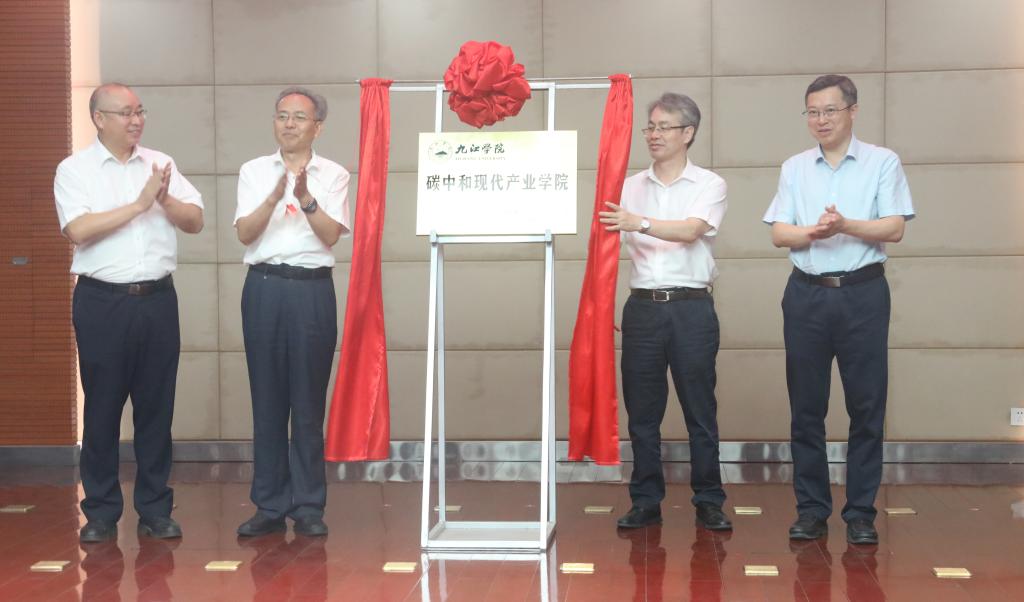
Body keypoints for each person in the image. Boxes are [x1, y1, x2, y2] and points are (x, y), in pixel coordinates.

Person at [763, 74, 914, 545]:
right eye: (812, 112)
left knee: (866, 406)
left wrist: (845, 225)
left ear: (852, 111)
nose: (821, 120)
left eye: (830, 110)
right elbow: (779, 233)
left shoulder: (882, 161)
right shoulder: (794, 167)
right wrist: (814, 232)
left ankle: (861, 513)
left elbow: (894, 228)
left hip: (862, 294)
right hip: (806, 294)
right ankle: (811, 510)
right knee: (806, 407)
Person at [54, 82, 204, 543]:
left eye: (140, 111)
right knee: (102, 408)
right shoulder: (75, 169)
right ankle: (100, 512)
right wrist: (139, 204)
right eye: (125, 113)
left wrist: (165, 199)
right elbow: (78, 229)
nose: (136, 120)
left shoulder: (160, 164)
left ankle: (155, 509)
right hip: (102, 302)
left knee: (156, 408)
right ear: (99, 118)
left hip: (158, 301)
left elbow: (195, 221)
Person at [599, 92, 731, 531]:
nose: (654, 135)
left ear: (688, 133)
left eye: (664, 127)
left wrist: (640, 222)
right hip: (642, 309)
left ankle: (709, 500)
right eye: (650, 127)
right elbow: (605, 245)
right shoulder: (629, 186)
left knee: (700, 411)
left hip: (691, 309)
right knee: (642, 413)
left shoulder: (709, 184)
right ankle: (645, 500)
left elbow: (692, 231)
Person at [234, 86, 350, 537]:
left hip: (311, 292)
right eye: (282, 115)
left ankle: (307, 506)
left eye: (299, 117)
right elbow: (245, 233)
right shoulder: (253, 170)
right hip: (263, 288)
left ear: (317, 127)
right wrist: (272, 196)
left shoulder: (333, 174)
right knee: (266, 400)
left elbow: (331, 235)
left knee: (306, 402)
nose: (288, 124)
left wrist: (304, 197)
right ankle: (268, 504)